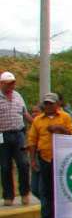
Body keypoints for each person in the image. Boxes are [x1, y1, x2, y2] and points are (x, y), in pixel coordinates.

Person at [26, 93, 72, 218]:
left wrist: (59, 129)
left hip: (61, 158)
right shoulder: (38, 120)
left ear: (57, 104)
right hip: (45, 157)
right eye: (46, 103)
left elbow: (71, 134)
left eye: (51, 103)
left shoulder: (65, 117)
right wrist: (33, 159)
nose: (48, 106)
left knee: (59, 189)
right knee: (45, 189)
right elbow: (32, 140)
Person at [0, 70, 31, 206]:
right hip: (2, 135)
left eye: (13, 83)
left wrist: (36, 123)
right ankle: (8, 196)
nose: (11, 86)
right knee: (6, 166)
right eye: (9, 84)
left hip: (19, 134)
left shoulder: (18, 96)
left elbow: (25, 114)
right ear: (2, 84)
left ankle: (24, 193)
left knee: (23, 164)